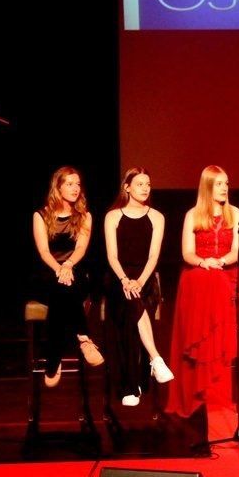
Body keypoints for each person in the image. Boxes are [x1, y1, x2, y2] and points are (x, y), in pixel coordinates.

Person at [164, 165, 239, 418]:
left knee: (221, 281)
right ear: (207, 187)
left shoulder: (235, 213)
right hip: (198, 273)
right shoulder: (192, 215)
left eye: (226, 183)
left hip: (228, 270)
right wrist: (205, 262)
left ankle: (237, 330)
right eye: (219, 184)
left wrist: (221, 261)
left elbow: (238, 250)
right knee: (212, 280)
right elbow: (187, 253)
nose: (224, 188)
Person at [103, 167, 174, 408]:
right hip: (119, 277)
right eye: (140, 184)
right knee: (130, 302)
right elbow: (112, 256)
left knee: (135, 301)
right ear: (127, 187)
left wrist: (140, 281)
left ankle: (132, 386)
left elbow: (153, 256)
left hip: (145, 278)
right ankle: (155, 359)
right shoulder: (113, 216)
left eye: (148, 184)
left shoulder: (157, 217)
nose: (145, 188)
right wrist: (125, 280)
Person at [30, 166, 103, 388]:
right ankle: (83, 337)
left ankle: (53, 358)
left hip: (75, 270)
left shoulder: (85, 216)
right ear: (58, 187)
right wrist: (59, 268)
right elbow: (44, 251)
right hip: (48, 271)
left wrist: (69, 264)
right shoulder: (41, 215)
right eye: (69, 184)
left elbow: (80, 248)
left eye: (78, 184)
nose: (75, 188)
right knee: (61, 287)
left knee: (67, 287)